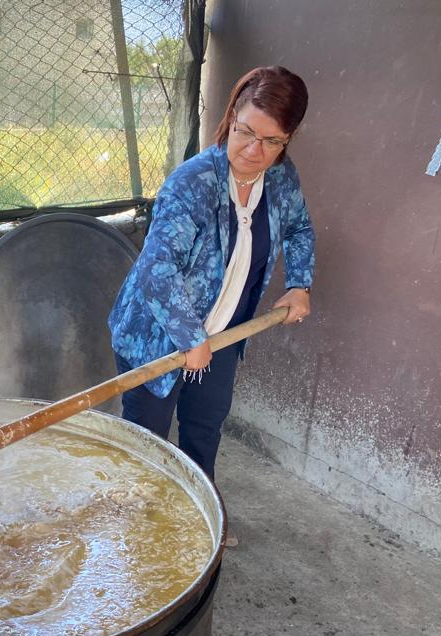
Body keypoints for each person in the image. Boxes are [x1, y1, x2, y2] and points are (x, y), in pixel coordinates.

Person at [108, 66, 315, 487]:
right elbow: (156, 269)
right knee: (148, 445)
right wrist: (189, 335)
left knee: (204, 430)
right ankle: (140, 532)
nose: (254, 150)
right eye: (245, 132)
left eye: (271, 140)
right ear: (231, 117)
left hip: (223, 335)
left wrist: (299, 284)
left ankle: (201, 533)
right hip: (159, 336)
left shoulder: (280, 178)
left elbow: (299, 228)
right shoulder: (193, 184)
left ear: (287, 139)